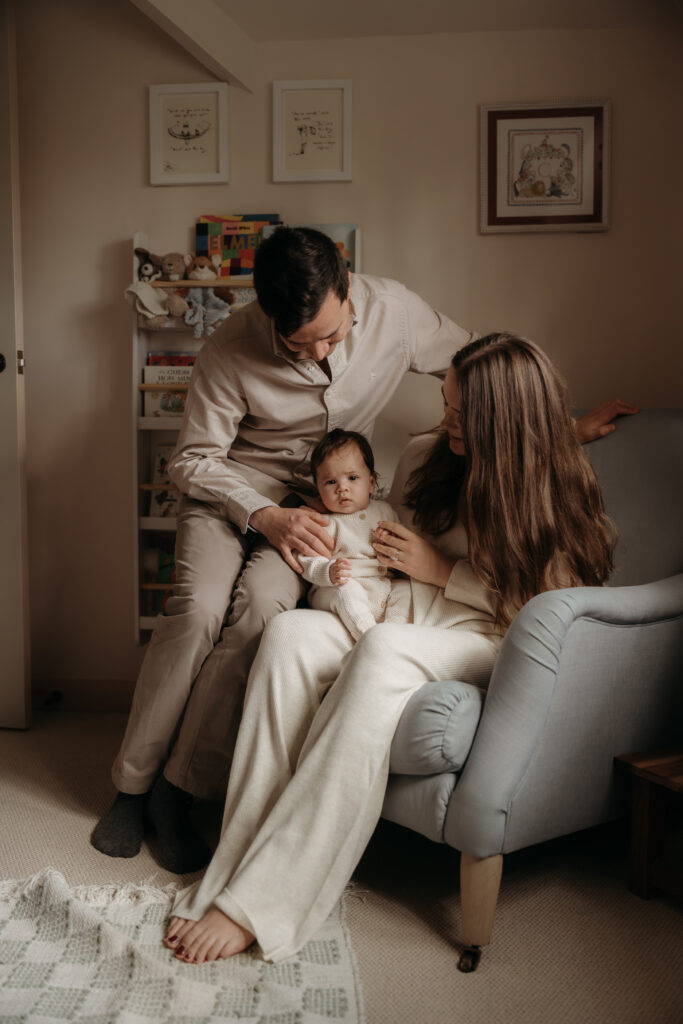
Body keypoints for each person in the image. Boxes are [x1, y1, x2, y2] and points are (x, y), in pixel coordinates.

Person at [92, 226, 636, 873]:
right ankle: (131, 786)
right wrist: (263, 516)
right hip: (234, 493)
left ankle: (178, 793)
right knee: (198, 608)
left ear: (348, 286)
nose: (319, 350)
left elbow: (491, 386)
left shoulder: (397, 313)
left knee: (263, 612)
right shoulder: (231, 343)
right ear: (268, 318)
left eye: (331, 333)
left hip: (326, 504)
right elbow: (193, 459)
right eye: (300, 345)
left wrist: (557, 434)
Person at [161, 332, 617, 965]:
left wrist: (441, 570)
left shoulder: (551, 487)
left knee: (381, 653)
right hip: (407, 614)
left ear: (499, 418)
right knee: (291, 633)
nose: (444, 417)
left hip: (489, 638)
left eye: (460, 411)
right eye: (448, 400)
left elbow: (553, 611)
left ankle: (261, 903)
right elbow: (381, 545)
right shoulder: (436, 455)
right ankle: (233, 864)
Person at [298, 428, 412, 640]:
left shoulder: (384, 512)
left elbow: (402, 546)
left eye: (352, 478)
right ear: (318, 489)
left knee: (406, 590)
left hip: (381, 585)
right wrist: (328, 571)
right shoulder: (323, 522)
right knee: (346, 591)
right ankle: (368, 637)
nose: (342, 488)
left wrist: (392, 547)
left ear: (371, 483)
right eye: (330, 482)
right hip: (334, 586)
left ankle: (395, 634)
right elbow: (306, 561)